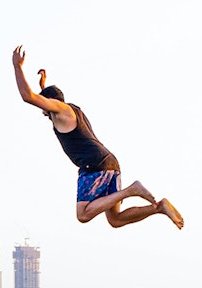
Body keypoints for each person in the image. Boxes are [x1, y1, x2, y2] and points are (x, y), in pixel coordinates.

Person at [11, 45, 183, 230]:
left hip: (94, 165)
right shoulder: (70, 110)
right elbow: (48, 99)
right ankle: (158, 207)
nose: (43, 113)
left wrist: (17, 66)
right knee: (115, 220)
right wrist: (44, 86)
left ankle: (132, 190)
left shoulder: (61, 111)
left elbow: (28, 96)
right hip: (109, 162)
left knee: (83, 214)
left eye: (45, 108)